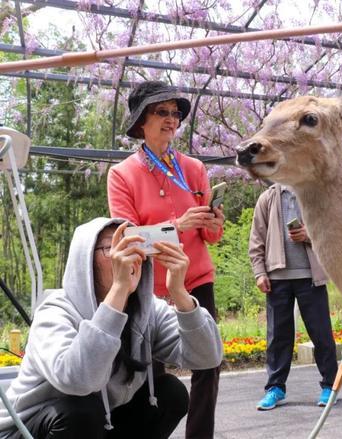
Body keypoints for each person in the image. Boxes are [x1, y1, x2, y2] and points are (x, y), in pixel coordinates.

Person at [0, 218, 223, 439]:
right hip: (26, 428)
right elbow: (79, 380)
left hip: (98, 422)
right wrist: (119, 290)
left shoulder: (148, 308)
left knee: (170, 393)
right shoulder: (55, 311)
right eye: (114, 248)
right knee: (81, 413)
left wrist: (180, 293)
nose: (129, 256)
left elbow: (207, 357)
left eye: (133, 245)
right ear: (86, 259)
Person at [107, 80, 224, 438]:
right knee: (149, 372)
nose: (171, 119)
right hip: (150, 288)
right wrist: (178, 224)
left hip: (196, 280)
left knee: (210, 363)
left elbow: (210, 237)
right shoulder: (122, 174)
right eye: (162, 111)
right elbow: (127, 240)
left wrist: (213, 222)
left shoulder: (194, 168)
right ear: (142, 120)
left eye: (175, 113)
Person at [249, 183, 337, 410]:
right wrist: (260, 273)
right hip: (277, 277)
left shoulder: (314, 193)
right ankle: (275, 388)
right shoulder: (267, 198)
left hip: (311, 275)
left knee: (321, 334)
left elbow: (332, 230)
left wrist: (310, 234)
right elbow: (256, 239)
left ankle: (330, 386)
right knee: (278, 337)